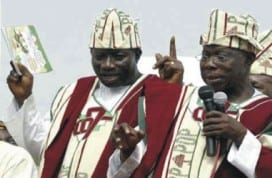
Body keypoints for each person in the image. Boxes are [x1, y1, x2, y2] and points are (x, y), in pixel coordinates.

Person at [109, 9, 272, 178]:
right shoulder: (179, 100)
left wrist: (241, 136)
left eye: (221, 56)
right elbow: (137, 165)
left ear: (249, 59)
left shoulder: (270, 114)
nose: (209, 63)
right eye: (206, 55)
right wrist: (127, 150)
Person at [4, 8, 188, 177]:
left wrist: (171, 92)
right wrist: (24, 98)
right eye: (99, 57)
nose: (107, 64)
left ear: (137, 55)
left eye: (118, 57)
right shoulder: (73, 92)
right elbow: (43, 149)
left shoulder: (153, 93)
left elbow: (163, 153)